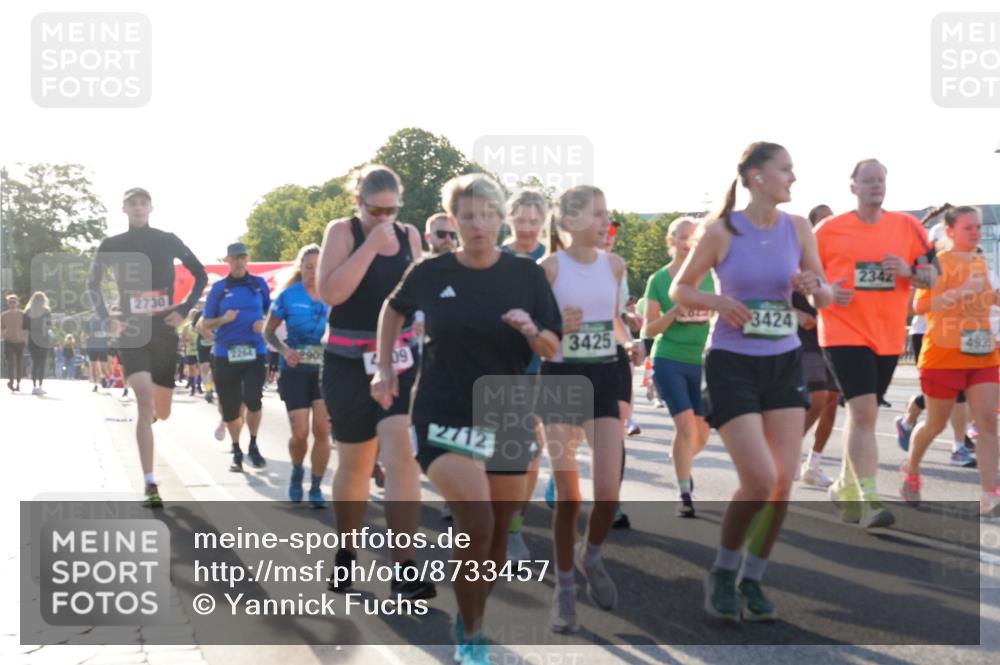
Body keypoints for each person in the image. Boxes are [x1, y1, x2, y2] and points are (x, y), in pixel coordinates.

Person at [374, 173, 561, 664]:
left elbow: (553, 344)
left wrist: (530, 328)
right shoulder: (431, 273)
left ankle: (469, 613)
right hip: (443, 411)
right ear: (454, 221)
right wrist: (383, 367)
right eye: (467, 216)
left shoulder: (527, 275)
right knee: (475, 520)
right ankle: (473, 635)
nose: (477, 225)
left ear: (500, 219)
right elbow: (392, 311)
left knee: (497, 536)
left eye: (486, 215)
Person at [671, 141, 831, 622]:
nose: (794, 178)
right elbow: (682, 286)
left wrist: (811, 288)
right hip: (731, 362)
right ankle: (723, 569)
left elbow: (823, 297)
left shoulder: (798, 227)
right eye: (786, 169)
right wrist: (719, 303)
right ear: (757, 176)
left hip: (783, 361)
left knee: (781, 484)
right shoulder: (722, 231)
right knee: (759, 478)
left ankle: (754, 577)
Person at [317, 164, 435, 601]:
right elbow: (332, 294)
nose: (385, 219)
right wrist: (369, 246)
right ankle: (346, 550)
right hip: (347, 361)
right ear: (358, 203)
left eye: (392, 210)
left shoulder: (409, 236)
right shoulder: (343, 232)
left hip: (399, 359)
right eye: (375, 210)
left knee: (401, 454)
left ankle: (404, 566)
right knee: (356, 464)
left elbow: (419, 293)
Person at [541, 185, 644, 633]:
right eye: (597, 215)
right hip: (561, 381)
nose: (606, 223)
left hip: (604, 375)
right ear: (570, 222)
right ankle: (564, 592)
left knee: (608, 490)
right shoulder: (548, 269)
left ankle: (591, 555)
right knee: (569, 497)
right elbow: (534, 334)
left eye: (606, 214)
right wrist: (553, 328)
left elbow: (615, 321)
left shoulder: (615, 265)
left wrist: (631, 342)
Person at [815, 159, 935, 528]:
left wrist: (908, 271)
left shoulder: (908, 226)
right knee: (865, 411)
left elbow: (932, 277)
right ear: (852, 186)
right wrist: (827, 293)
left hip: (887, 335)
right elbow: (802, 281)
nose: (875, 186)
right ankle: (869, 499)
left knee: (860, 414)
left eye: (880, 180)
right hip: (841, 331)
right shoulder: (827, 230)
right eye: (867, 180)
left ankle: (844, 484)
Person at [87, 187, 208, 508]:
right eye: (132, 203)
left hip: (164, 330)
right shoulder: (112, 245)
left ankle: (153, 415)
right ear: (124, 209)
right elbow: (92, 284)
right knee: (143, 402)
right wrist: (107, 319)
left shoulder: (166, 239)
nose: (138, 208)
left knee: (162, 412)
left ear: (151, 207)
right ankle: (150, 483)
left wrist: (183, 309)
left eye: (143, 203)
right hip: (132, 329)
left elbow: (200, 273)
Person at [899, 205, 1000, 517]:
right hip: (943, 354)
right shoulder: (937, 265)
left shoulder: (982, 262)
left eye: (978, 227)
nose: (975, 232)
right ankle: (911, 470)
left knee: (987, 423)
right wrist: (959, 291)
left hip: (982, 352)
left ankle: (989, 493)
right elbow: (919, 306)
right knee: (935, 423)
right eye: (968, 227)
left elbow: (991, 297)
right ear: (950, 231)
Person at [643, 216, 715, 517]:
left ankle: (680, 459)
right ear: (671, 242)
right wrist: (675, 309)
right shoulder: (658, 280)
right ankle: (684, 492)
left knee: (700, 434)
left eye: (694, 237)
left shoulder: (710, 276)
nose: (689, 243)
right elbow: (649, 329)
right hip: (669, 358)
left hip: (701, 361)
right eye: (683, 237)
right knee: (685, 427)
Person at [896, 216, 977, 467]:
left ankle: (957, 442)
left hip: (964, 335)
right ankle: (956, 445)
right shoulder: (931, 265)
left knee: (962, 391)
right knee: (951, 393)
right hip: (927, 334)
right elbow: (916, 305)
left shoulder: (975, 262)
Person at [501, 189, 550, 561]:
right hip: (496, 365)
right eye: (522, 220)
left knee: (533, 452)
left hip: (540, 367)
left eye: (536, 221)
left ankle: (514, 528)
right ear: (509, 218)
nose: (529, 228)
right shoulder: (495, 257)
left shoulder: (553, 259)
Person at [263, 244, 331, 508]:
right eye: (308, 266)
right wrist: (284, 349)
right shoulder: (288, 296)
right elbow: (268, 332)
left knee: (322, 430)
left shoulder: (333, 294)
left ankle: (315, 487)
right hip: (295, 369)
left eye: (317, 267)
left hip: (326, 371)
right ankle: (296, 470)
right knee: (300, 433)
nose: (312, 272)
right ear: (300, 268)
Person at [200, 243, 270, 473]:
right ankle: (236, 449)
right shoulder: (219, 289)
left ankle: (253, 444)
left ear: (247, 259)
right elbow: (205, 324)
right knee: (230, 407)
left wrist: (265, 324)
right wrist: (223, 320)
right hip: (225, 354)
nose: (240, 261)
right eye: (235, 258)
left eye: (243, 257)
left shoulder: (259, 285)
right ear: (227, 261)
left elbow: (272, 314)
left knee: (253, 399)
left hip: (255, 351)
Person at [794, 204, 839, 487]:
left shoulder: (839, 258)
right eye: (823, 221)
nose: (829, 225)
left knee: (832, 400)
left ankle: (814, 463)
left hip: (833, 336)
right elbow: (776, 289)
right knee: (818, 397)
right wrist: (796, 314)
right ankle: (784, 451)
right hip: (803, 337)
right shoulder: (798, 257)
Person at [502, 188, 548, 260]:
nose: (526, 229)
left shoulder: (550, 259)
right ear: (510, 219)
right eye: (520, 221)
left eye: (533, 222)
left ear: (543, 221)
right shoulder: (495, 258)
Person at [23, 292, 53, 395]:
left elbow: (25, 328)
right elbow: (49, 326)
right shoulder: (46, 311)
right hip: (43, 339)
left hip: (32, 339)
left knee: (35, 363)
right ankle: (40, 386)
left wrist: (26, 340)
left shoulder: (27, 312)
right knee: (42, 363)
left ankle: (34, 386)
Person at [2, 294, 26, 392]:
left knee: (19, 363)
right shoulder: (4, 315)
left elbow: (27, 327)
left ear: (17, 303)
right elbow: (1, 327)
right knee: (11, 363)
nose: (12, 304)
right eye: (10, 302)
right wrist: (3, 336)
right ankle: (11, 381)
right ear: (8, 303)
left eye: (14, 302)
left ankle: (18, 383)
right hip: (9, 341)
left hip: (20, 342)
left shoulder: (23, 314)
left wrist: (26, 338)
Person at [84, 313, 111, 392]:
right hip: (92, 346)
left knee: (103, 366)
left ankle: (102, 377)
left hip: (103, 346)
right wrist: (88, 337)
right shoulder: (89, 321)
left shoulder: (106, 320)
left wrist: (109, 340)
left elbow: (110, 331)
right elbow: (86, 334)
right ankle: (95, 384)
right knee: (93, 365)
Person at [180, 311, 202, 396]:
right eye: (192, 315)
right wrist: (187, 340)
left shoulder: (200, 325)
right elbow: (182, 338)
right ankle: (192, 388)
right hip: (190, 350)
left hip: (200, 350)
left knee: (200, 368)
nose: (193, 316)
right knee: (191, 369)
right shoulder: (187, 327)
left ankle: (199, 385)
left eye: (195, 315)